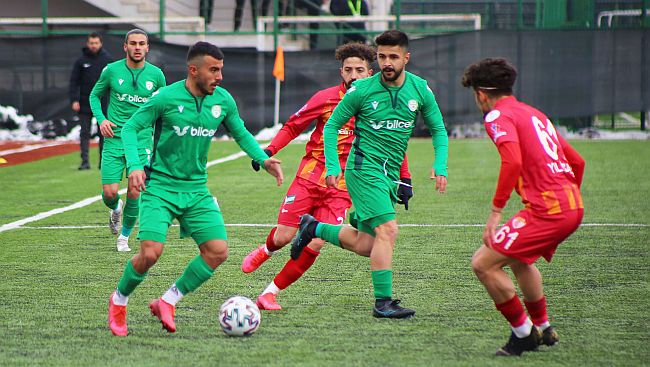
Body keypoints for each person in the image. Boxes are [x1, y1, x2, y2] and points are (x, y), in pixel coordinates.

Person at [107, 41, 284, 337]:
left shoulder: (223, 101)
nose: (219, 76)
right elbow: (129, 128)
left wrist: (263, 160)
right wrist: (135, 165)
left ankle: (167, 301)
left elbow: (241, 133)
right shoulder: (165, 98)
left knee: (217, 251)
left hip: (196, 190)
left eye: (221, 69)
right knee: (150, 254)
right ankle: (119, 301)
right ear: (193, 70)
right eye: (213, 70)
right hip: (160, 188)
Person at [242, 42, 412, 311]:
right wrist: (268, 151)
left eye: (359, 70)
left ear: (370, 72)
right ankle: (267, 250)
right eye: (348, 70)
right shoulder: (326, 97)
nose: (353, 75)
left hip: (343, 186)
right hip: (309, 177)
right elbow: (294, 125)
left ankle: (270, 293)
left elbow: (394, 142)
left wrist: (404, 177)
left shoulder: (380, 102)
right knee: (285, 236)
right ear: (341, 72)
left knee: (317, 240)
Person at [291, 30, 449, 319]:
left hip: (387, 175)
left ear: (406, 58)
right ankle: (383, 302)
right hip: (363, 170)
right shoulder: (362, 90)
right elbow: (330, 126)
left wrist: (440, 165)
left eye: (393, 56)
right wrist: (333, 166)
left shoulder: (420, 89)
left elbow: (438, 129)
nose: (387, 62)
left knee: (368, 244)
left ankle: (313, 228)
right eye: (382, 56)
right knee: (388, 231)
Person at [461, 58, 585, 356]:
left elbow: (513, 161)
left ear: (481, 94)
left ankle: (523, 333)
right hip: (571, 205)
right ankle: (543, 327)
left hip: (549, 210)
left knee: (483, 263)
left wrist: (495, 212)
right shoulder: (534, 113)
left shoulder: (496, 116)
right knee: (518, 259)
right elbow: (577, 162)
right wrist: (566, 204)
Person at [89, 29, 167, 252]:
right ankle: (115, 209)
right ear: (125, 46)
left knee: (135, 189)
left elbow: (164, 105)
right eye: (133, 43)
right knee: (110, 193)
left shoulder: (157, 75)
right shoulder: (111, 71)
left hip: (142, 141)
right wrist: (102, 120)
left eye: (142, 43)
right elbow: (95, 95)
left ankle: (124, 237)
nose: (137, 47)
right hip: (114, 138)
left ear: (147, 47)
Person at [69, 32, 113, 170]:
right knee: (85, 132)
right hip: (85, 101)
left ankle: (103, 162)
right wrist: (74, 99)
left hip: (104, 102)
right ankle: (85, 162)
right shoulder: (81, 61)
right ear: (88, 44)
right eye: (91, 43)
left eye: (96, 43)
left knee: (104, 132)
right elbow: (74, 81)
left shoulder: (108, 60)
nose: (94, 46)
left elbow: (114, 82)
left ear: (101, 44)